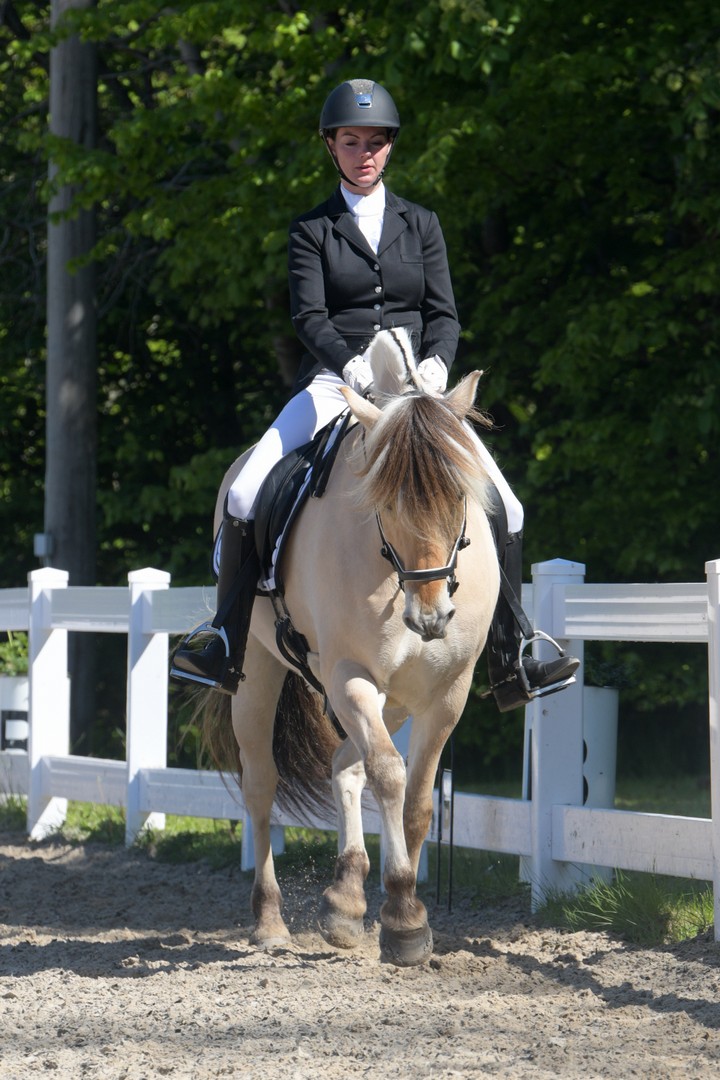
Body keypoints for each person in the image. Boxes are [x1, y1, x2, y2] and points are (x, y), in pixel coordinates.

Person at [171, 78, 579, 710]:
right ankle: (224, 639)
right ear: (331, 146)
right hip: (337, 384)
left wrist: (437, 365)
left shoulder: (422, 223)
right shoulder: (312, 228)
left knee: (510, 505)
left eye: (375, 142)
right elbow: (309, 317)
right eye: (351, 141)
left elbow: (443, 314)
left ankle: (513, 649)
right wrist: (352, 366)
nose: (364, 153)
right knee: (247, 491)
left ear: (390, 147)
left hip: (418, 391)